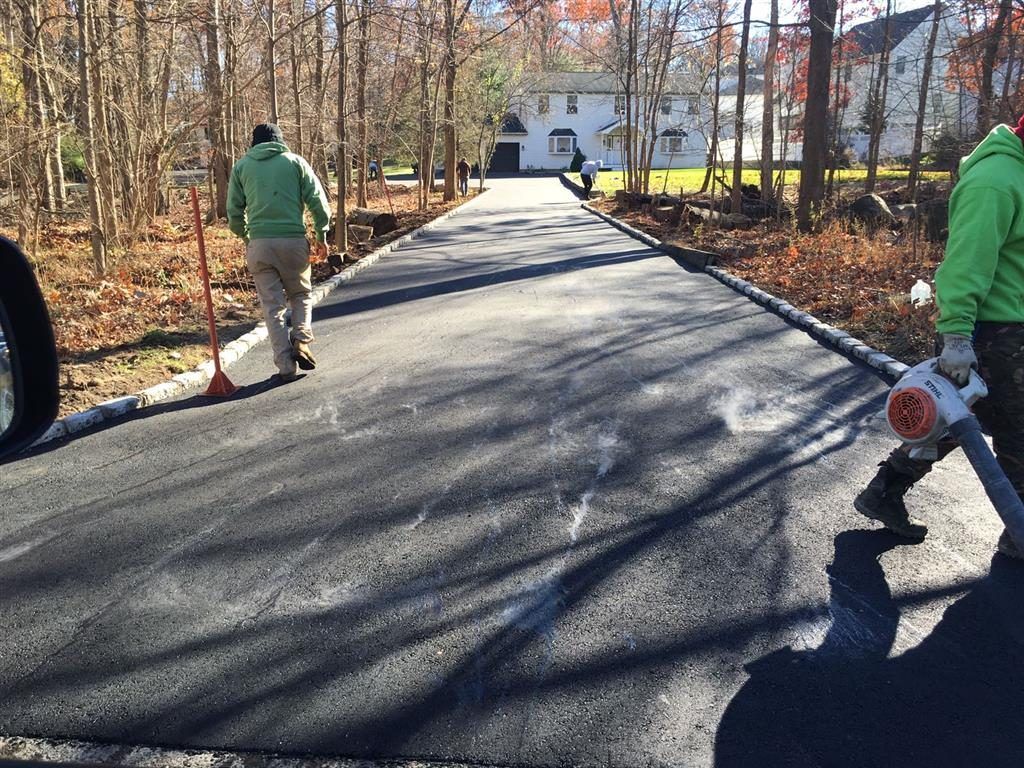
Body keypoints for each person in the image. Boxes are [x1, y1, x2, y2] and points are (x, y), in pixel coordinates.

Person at [854, 114, 1024, 558]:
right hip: (992, 335)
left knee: (947, 424)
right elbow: (964, 265)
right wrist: (955, 338)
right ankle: (1020, 534)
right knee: (1018, 436)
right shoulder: (995, 181)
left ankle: (883, 492)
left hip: (1012, 329)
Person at [227, 123, 331, 382]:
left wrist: (245, 236)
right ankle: (302, 339)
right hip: (293, 241)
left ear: (254, 143)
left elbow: (233, 212)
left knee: (272, 307)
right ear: (280, 141)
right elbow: (318, 201)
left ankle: (285, 365)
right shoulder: (295, 162)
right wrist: (322, 235)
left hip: (260, 245)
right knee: (301, 294)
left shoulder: (241, 167)